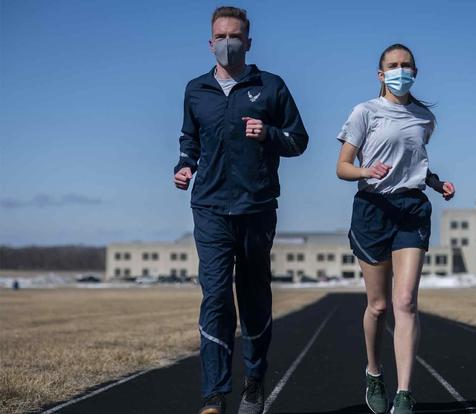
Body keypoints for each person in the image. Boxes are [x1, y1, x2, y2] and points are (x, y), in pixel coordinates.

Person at [173, 6, 309, 414]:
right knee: (215, 296)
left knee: (253, 297)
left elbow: (298, 140)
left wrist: (268, 133)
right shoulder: (196, 90)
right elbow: (188, 140)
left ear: (248, 42)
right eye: (220, 37)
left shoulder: (270, 86)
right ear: (210, 42)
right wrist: (183, 166)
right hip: (210, 207)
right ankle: (213, 395)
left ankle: (253, 380)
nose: (227, 43)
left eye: (234, 37)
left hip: (257, 207)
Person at [336, 43, 455, 414]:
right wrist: (365, 171)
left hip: (412, 208)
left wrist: (436, 183)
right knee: (379, 305)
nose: (399, 70)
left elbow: (415, 163)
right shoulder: (365, 112)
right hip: (373, 208)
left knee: (406, 301)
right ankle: (374, 372)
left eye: (406, 65)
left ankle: (404, 394)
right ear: (380, 73)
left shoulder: (424, 117)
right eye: (393, 65)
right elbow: (342, 166)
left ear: (415, 72)